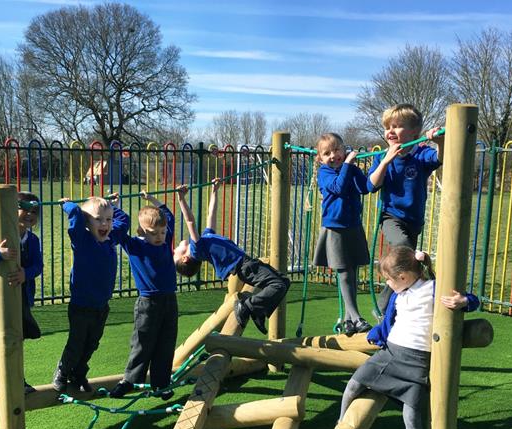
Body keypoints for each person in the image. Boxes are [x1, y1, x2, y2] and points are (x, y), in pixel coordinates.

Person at [338, 246, 479, 429]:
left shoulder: (432, 289)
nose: (389, 286)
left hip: (417, 364)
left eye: (389, 281)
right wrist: (375, 335)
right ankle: (340, 427)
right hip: (390, 354)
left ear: (403, 277)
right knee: (353, 384)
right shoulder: (399, 294)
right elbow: (390, 321)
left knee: (412, 415)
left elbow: (472, 300)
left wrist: (465, 301)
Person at [173, 178, 290, 334]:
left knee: (284, 281)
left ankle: (259, 312)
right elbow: (190, 221)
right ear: (185, 258)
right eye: (175, 253)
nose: (174, 249)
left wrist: (215, 191)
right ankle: (248, 306)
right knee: (278, 285)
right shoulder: (197, 249)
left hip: (247, 263)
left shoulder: (205, 240)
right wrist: (181, 199)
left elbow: (211, 216)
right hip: (244, 266)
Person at [366, 103, 444, 313]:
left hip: (413, 220)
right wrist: (386, 161)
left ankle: (401, 307)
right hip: (391, 217)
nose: (390, 131)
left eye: (397, 126)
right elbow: (371, 185)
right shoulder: (382, 156)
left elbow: (440, 158)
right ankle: (382, 308)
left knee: (407, 265)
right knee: (404, 250)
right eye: (387, 127)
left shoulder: (420, 154)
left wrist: (440, 142)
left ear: (413, 132)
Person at [108, 192, 177, 400]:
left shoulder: (166, 243)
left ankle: (161, 384)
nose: (159, 236)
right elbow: (118, 231)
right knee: (143, 341)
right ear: (141, 231)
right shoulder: (135, 246)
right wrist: (114, 207)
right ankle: (129, 380)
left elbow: (169, 216)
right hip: (148, 302)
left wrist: (153, 202)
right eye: (153, 232)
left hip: (169, 300)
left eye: (162, 232)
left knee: (166, 343)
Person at [51, 195, 123, 393]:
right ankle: (62, 371)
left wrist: (114, 207)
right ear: (86, 222)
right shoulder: (82, 240)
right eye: (98, 219)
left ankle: (78, 373)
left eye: (108, 220)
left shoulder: (110, 240)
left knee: (92, 344)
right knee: (76, 344)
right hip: (81, 306)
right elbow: (74, 213)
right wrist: (67, 204)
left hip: (101, 307)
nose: (104, 224)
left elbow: (123, 222)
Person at [0, 191, 43, 394]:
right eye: (25, 209)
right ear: (12, 211)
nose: (30, 214)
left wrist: (26, 274)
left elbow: (38, 266)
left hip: (21, 296)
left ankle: (17, 379)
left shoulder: (33, 240)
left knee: (17, 337)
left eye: (35, 211)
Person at [312, 133, 372, 335]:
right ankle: (357, 317)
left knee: (352, 273)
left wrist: (381, 162)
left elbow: (366, 188)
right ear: (320, 158)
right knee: (344, 272)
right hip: (335, 227)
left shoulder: (352, 170)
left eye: (337, 149)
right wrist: (347, 165)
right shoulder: (324, 172)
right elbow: (338, 187)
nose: (333, 155)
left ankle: (348, 320)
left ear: (344, 149)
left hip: (353, 225)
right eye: (326, 153)